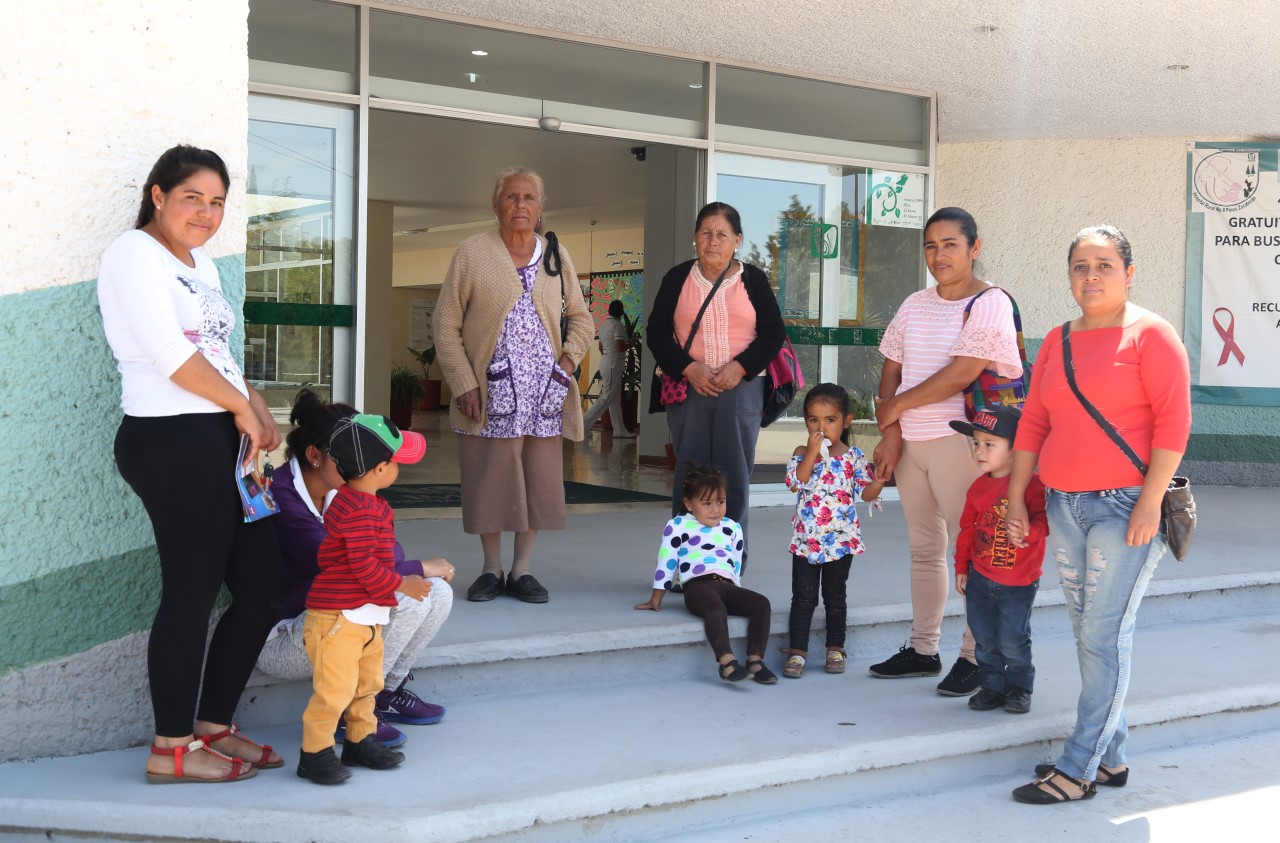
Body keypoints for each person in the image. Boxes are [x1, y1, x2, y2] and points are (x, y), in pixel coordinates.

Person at [99, 145, 288, 784]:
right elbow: (167, 353)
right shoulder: (134, 253)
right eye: (192, 198)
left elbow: (215, 349)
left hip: (217, 436)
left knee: (264, 584)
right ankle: (172, 747)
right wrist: (240, 408)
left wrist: (254, 407)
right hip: (171, 438)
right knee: (192, 591)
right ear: (158, 196)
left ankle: (212, 726)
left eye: (217, 203)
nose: (206, 213)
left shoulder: (199, 263)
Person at [1008, 225, 1190, 805]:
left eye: (1104, 265)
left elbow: (1174, 424)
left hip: (1124, 506)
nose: (1091, 276)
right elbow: (1034, 422)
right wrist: (1016, 494)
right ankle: (1111, 759)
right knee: (1089, 633)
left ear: (1128, 274)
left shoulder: (1152, 335)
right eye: (1080, 266)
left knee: (1104, 634)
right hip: (1064, 505)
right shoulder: (1058, 341)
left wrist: (1149, 502)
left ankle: (1078, 767)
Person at [869, 206, 1024, 697]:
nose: (939, 255)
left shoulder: (990, 302)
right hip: (912, 446)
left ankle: (976, 657)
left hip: (962, 442)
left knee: (975, 550)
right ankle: (923, 649)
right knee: (924, 550)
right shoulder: (915, 303)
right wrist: (892, 431)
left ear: (975, 248)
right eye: (931, 246)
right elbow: (892, 366)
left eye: (950, 244)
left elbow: (962, 373)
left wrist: (893, 408)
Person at [256, 390, 455, 749]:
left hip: (333, 623)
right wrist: (419, 567)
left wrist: (413, 572)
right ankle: (351, 711)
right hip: (285, 639)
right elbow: (352, 565)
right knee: (404, 595)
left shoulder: (347, 489)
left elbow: (388, 552)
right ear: (315, 455)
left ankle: (383, 694)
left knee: (437, 592)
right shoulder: (282, 495)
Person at [434, 167, 593, 604]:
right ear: (496, 205)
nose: (520, 205)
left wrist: (566, 364)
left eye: (528, 198)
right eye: (511, 197)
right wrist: (463, 382)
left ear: (540, 207)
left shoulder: (557, 255)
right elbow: (445, 324)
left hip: (543, 394)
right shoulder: (472, 252)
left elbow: (581, 318)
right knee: (489, 480)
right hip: (489, 393)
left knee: (537, 481)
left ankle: (522, 570)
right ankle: (491, 568)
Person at [647, 202, 785, 572]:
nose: (713, 240)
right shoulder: (677, 279)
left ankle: (728, 565)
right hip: (688, 389)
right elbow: (656, 333)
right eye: (706, 232)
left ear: (737, 240)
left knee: (733, 475)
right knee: (689, 474)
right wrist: (689, 368)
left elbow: (773, 333)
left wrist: (741, 368)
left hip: (741, 391)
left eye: (722, 234)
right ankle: (685, 564)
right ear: (695, 238)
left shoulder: (753, 280)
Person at [296, 414, 431, 785]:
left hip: (364, 617)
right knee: (334, 691)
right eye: (396, 462)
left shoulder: (366, 504)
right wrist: (402, 584)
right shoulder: (357, 511)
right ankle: (314, 754)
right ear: (380, 469)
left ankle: (359, 741)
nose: (399, 468)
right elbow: (363, 565)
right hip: (337, 620)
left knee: (366, 684)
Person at [634, 465, 776, 684]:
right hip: (697, 586)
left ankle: (755, 661)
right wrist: (656, 597)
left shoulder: (733, 527)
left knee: (761, 604)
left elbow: (736, 562)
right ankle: (727, 663)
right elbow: (667, 561)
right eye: (707, 503)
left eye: (721, 502)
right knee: (716, 609)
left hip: (726, 585)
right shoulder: (678, 525)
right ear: (689, 504)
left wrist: (737, 591)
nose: (715, 510)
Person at [948, 405, 1047, 715]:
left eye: (990, 444)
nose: (979, 450)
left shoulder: (1033, 486)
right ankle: (992, 686)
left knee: (1013, 640)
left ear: (1017, 449)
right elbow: (967, 530)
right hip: (980, 578)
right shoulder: (978, 487)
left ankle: (1019, 688)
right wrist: (961, 567)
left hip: (1018, 582)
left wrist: (1030, 531)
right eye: (976, 443)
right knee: (984, 638)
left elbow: (1046, 520)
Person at [780, 384, 881, 678]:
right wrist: (811, 453)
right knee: (803, 597)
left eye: (830, 420)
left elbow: (866, 493)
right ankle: (797, 651)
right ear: (805, 422)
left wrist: (881, 479)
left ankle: (835, 648)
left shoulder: (853, 457)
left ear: (846, 421)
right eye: (814, 420)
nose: (821, 428)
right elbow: (796, 483)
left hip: (840, 541)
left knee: (835, 596)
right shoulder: (802, 453)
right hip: (807, 540)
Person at [582, 299, 636, 437]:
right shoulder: (617, 325)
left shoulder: (604, 325)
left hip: (607, 361)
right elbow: (619, 347)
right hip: (613, 364)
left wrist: (608, 355)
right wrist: (631, 344)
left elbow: (601, 347)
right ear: (621, 312)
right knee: (606, 397)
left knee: (614, 400)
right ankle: (583, 426)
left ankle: (619, 430)